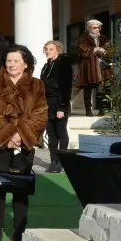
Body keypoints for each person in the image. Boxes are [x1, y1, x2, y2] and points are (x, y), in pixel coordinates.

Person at [0, 44, 47, 241]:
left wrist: (21, 135)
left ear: (25, 64)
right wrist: (8, 135)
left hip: (24, 143)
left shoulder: (37, 85)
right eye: (8, 61)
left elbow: (40, 113)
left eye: (16, 61)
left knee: (21, 187)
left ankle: (20, 229)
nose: (11, 64)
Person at [41, 40, 73, 173]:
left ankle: (61, 161)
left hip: (59, 102)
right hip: (47, 104)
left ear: (58, 50)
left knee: (61, 131)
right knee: (51, 134)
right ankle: (53, 160)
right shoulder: (46, 66)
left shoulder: (63, 64)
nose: (48, 51)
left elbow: (66, 86)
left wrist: (62, 107)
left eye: (51, 49)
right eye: (46, 49)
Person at [77, 19, 112, 117]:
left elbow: (109, 49)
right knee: (87, 88)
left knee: (102, 88)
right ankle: (88, 110)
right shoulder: (83, 38)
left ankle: (101, 109)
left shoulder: (104, 38)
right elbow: (82, 49)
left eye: (98, 28)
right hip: (88, 66)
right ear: (89, 28)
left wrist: (104, 50)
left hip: (101, 66)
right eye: (94, 28)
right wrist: (94, 49)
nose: (97, 29)